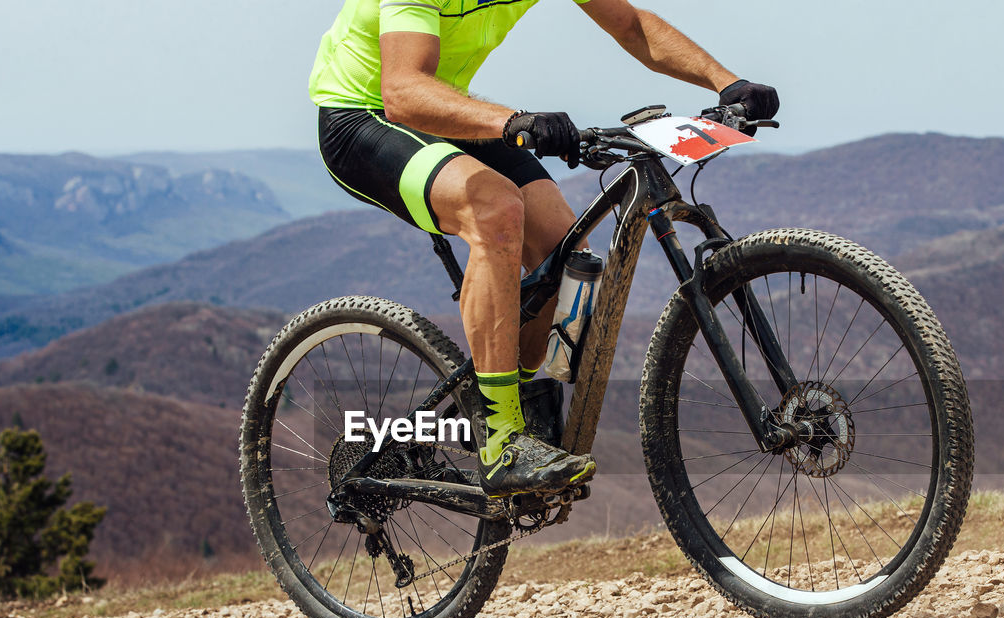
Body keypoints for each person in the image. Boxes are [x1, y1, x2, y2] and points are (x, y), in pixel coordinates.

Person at [309, 0, 778, 496]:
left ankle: (523, 404)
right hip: (363, 117)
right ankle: (500, 440)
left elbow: (631, 24)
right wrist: (515, 120)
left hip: (442, 112)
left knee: (567, 255)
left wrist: (724, 81)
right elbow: (403, 90)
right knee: (496, 212)